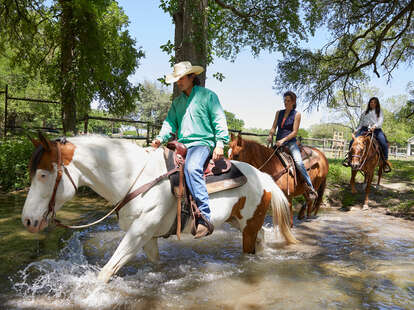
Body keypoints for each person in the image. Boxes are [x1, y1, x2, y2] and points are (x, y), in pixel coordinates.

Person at [151, 61, 229, 239]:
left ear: (192, 77)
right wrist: (159, 138)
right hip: (181, 145)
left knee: (192, 168)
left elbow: (219, 119)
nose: (178, 82)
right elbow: (169, 123)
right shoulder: (177, 102)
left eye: (181, 78)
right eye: (176, 79)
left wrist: (220, 143)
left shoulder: (208, 96)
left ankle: (204, 218)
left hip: (201, 144)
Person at [267, 91, 318, 200]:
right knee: (266, 159)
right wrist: (270, 135)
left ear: (293, 102)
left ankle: (310, 186)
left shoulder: (297, 114)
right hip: (278, 143)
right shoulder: (278, 113)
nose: (285, 103)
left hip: (290, 143)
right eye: (284, 100)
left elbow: (294, 132)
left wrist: (283, 140)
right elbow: (273, 127)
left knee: (299, 163)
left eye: (288, 101)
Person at [346, 97, 391, 172]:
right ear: (369, 103)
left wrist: (374, 126)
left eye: (374, 102)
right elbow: (360, 124)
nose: (372, 103)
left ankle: (385, 162)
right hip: (364, 129)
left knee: (384, 143)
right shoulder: (364, 113)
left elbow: (380, 121)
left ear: (377, 104)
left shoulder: (379, 112)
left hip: (376, 130)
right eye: (371, 102)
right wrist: (356, 131)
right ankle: (349, 159)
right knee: (352, 142)